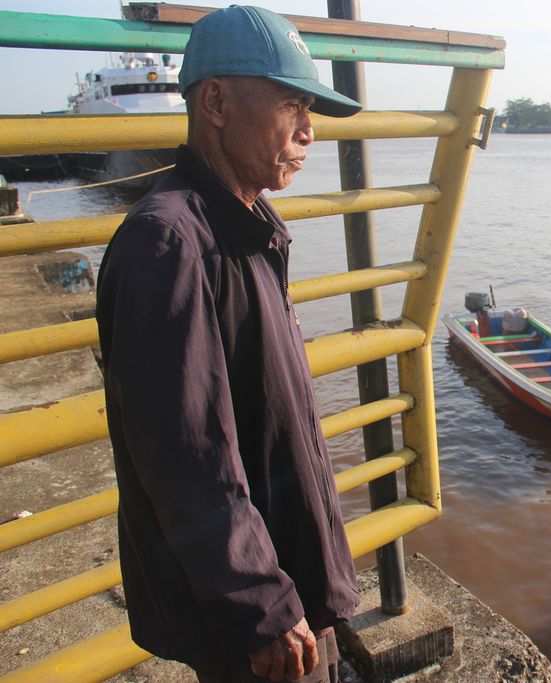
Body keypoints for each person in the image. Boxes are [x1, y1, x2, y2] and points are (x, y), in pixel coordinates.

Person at [96, 7, 363, 682]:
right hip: (256, 622)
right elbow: (186, 456)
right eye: (291, 105)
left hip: (284, 585)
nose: (307, 133)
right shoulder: (171, 242)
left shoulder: (245, 227)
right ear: (214, 100)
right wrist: (261, 602)